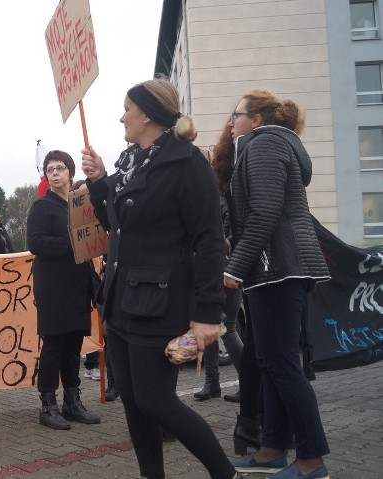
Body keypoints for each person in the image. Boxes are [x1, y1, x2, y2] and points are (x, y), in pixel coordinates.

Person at [81, 78, 237, 479]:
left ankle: (226, 473)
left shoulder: (187, 163)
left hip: (160, 304)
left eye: (127, 109)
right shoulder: (131, 162)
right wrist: (100, 183)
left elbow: (209, 241)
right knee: (133, 402)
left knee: (157, 401)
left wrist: (207, 314)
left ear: (147, 113)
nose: (121, 117)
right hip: (119, 302)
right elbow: (116, 226)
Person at [224, 90, 331, 479]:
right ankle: (271, 449)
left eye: (234, 114)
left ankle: (311, 460)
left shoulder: (265, 144)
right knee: (271, 363)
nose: (229, 122)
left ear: (255, 118)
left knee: (284, 364)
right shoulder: (260, 144)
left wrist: (235, 266)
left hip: (277, 267)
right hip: (275, 268)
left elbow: (265, 211)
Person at [27, 150, 101, 431]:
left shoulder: (80, 204)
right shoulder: (42, 207)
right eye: (50, 169)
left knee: (74, 346)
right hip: (53, 286)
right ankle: (48, 405)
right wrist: (74, 242)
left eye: (60, 168)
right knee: (55, 345)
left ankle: (73, 401)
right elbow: (36, 243)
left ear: (70, 172)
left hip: (77, 283)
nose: (55, 173)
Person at [194, 127, 245, 402]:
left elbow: (224, 238)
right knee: (215, 327)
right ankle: (212, 383)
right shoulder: (216, 198)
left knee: (227, 326)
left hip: (224, 271)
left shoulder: (217, 200)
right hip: (222, 270)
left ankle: (250, 384)